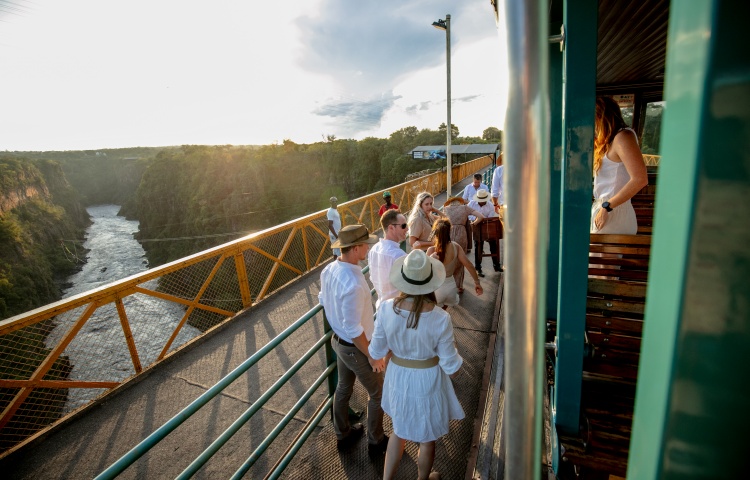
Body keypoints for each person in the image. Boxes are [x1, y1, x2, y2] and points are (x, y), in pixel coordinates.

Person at [369, 249, 464, 480]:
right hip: (428, 379)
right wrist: (456, 357)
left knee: (398, 431)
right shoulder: (440, 318)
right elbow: (451, 367)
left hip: (398, 376)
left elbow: (376, 351)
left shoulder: (385, 308)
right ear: (430, 282)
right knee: (427, 437)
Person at [318, 224, 389, 455]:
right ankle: (376, 441)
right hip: (355, 347)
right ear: (356, 248)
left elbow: (323, 299)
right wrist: (372, 355)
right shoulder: (355, 284)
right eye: (366, 244)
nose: (368, 248)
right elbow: (354, 328)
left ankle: (343, 433)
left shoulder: (329, 270)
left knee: (343, 387)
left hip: (338, 343)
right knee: (378, 393)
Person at [591, 96, 648, 234]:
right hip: (605, 210)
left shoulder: (623, 137)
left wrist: (607, 206)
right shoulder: (609, 141)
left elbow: (640, 179)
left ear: (600, 117)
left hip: (613, 211)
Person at [426, 219, 483, 306]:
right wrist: (477, 283)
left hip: (436, 289)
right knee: (445, 310)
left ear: (435, 232)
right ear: (450, 231)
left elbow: (424, 272)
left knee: (436, 313)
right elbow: (469, 265)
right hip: (451, 288)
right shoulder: (456, 246)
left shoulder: (432, 250)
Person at [369, 209, 408, 308]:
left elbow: (373, 278)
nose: (407, 228)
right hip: (398, 308)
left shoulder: (374, 249)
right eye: (403, 225)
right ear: (391, 228)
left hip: (381, 306)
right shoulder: (399, 255)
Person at [442, 197, 484, 289]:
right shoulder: (465, 208)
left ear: (450, 202)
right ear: (459, 202)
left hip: (449, 233)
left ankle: (449, 284)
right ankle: (459, 286)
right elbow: (481, 216)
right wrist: (474, 224)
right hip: (462, 233)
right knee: (461, 259)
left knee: (449, 258)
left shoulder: (446, 209)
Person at [467, 189, 501, 276]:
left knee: (493, 245)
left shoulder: (490, 205)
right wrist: (475, 220)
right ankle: (478, 267)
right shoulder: (471, 204)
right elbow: (468, 214)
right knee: (478, 247)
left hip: (487, 227)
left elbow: (489, 218)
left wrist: (480, 219)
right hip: (476, 227)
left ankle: (496, 265)